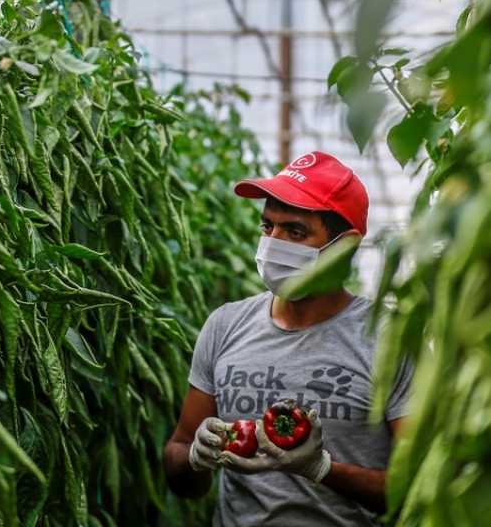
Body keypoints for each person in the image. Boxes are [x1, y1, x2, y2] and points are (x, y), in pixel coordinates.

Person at [162, 151, 414, 526]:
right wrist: (196, 457)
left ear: (345, 247)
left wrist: (322, 469)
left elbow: (419, 488)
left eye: (295, 231)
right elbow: (182, 466)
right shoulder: (226, 326)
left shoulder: (390, 339)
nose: (273, 242)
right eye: (267, 226)